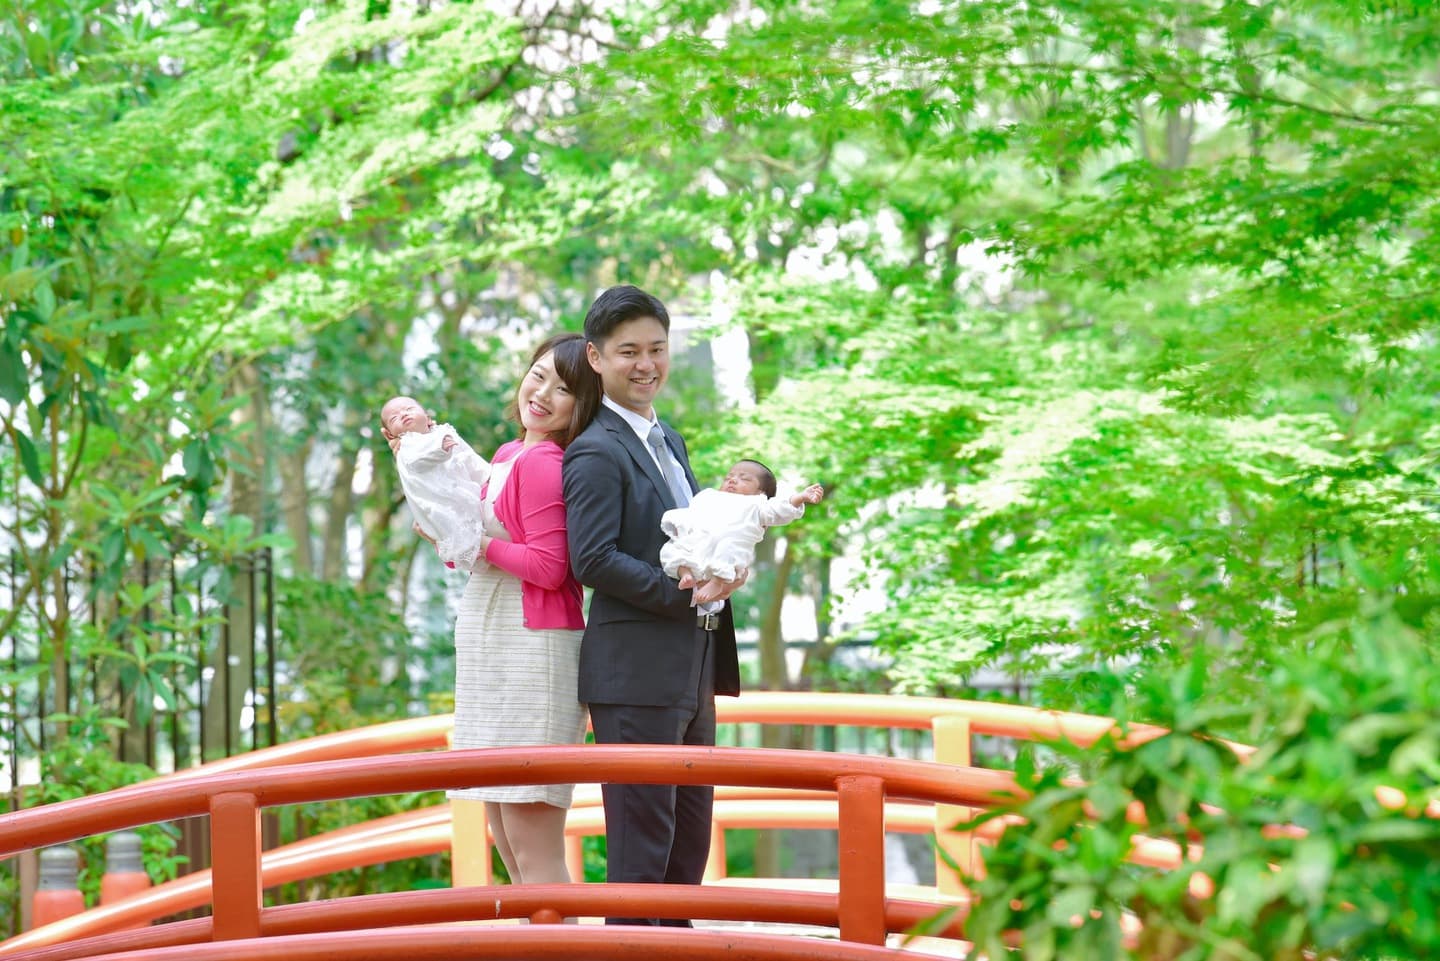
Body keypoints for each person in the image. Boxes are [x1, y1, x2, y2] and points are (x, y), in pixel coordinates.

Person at [387, 333, 600, 889]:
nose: (543, 393)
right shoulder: (508, 455)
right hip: (495, 638)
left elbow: (552, 567)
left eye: (565, 389)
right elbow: (491, 542)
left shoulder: (545, 462)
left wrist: (476, 546)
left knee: (532, 843)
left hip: (533, 647)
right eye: (539, 374)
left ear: (584, 405)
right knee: (507, 837)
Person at [562, 284, 745, 926]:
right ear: (596, 358)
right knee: (643, 857)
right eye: (629, 351)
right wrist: (683, 591)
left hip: (692, 666)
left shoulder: (670, 440)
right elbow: (593, 558)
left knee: (686, 854)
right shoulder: (593, 449)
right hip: (635, 672)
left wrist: (724, 567)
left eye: (658, 349)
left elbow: (691, 537)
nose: (647, 365)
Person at [662, 459, 824, 605]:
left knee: (729, 545)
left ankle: (718, 581)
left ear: (760, 492)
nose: (732, 480)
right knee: (671, 549)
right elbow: (691, 513)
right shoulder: (709, 496)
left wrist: (800, 497)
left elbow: (779, 509)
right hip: (698, 542)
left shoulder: (756, 505)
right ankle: (685, 573)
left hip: (728, 547)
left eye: (744, 478)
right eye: (728, 477)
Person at [380, 395, 492, 570]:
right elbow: (419, 460)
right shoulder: (406, 446)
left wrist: (489, 476)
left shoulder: (442, 432)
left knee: (472, 512)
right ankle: (468, 550)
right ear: (389, 434)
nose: (403, 415)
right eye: (394, 418)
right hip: (439, 500)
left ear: (427, 415)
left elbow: (468, 457)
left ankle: (478, 545)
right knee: (452, 523)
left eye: (409, 409)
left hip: (462, 489)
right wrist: (440, 449)